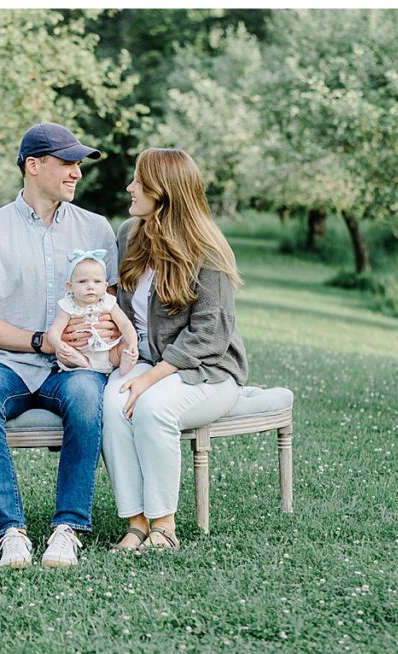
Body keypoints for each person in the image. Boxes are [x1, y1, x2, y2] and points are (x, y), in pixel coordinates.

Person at [0, 122, 120, 568]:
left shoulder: (96, 229)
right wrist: (41, 341)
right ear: (33, 165)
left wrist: (94, 336)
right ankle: (10, 531)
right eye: (67, 163)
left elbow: (110, 307)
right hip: (7, 365)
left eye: (78, 165)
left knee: (88, 395)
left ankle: (68, 529)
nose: (76, 173)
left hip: (74, 367)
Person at [101, 148, 248, 551]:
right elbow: (122, 309)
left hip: (208, 371)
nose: (130, 188)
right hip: (146, 359)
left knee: (152, 408)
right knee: (111, 405)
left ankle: (164, 526)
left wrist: (149, 378)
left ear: (163, 191)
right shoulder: (130, 234)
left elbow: (209, 334)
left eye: (139, 181)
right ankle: (136, 523)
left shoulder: (207, 249)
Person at [46, 250, 138, 376]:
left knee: (125, 347)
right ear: (70, 286)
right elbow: (54, 330)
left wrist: (133, 344)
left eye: (97, 281)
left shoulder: (109, 303)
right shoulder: (68, 306)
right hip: (80, 352)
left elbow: (125, 324)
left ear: (105, 286)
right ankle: (80, 360)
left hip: (110, 353)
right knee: (63, 354)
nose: (90, 286)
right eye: (82, 281)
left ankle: (126, 362)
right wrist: (58, 345)